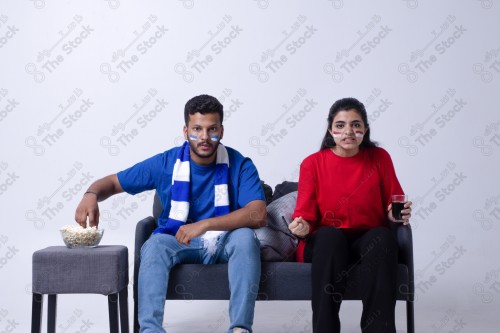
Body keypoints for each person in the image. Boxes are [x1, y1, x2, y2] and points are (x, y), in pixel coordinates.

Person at [75, 94, 267, 333]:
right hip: (176, 240)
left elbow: (258, 214)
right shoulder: (165, 163)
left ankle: (240, 329)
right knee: (154, 246)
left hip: (223, 239)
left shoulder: (240, 164)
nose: (205, 137)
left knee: (245, 238)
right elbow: (113, 182)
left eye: (212, 129)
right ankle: (151, 330)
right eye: (197, 129)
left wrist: (204, 224)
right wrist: (90, 194)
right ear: (186, 132)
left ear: (222, 131)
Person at [288, 97, 412, 333]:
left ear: (365, 129)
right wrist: (301, 226)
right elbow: (304, 214)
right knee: (330, 238)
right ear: (330, 130)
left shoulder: (379, 158)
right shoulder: (312, 163)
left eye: (356, 125)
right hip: (327, 241)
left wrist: (397, 214)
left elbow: (393, 202)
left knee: (383, 238)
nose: (349, 132)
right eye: (341, 125)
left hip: (367, 239)